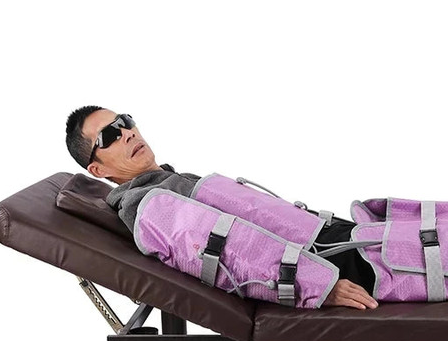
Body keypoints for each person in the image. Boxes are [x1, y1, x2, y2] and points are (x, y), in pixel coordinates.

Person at [65, 105, 379, 310]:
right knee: (409, 247)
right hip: (328, 265)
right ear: (98, 169)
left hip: (328, 241)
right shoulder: (147, 205)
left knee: (403, 224)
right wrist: (321, 286)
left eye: (125, 121)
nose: (128, 133)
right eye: (110, 135)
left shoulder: (168, 182)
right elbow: (231, 253)